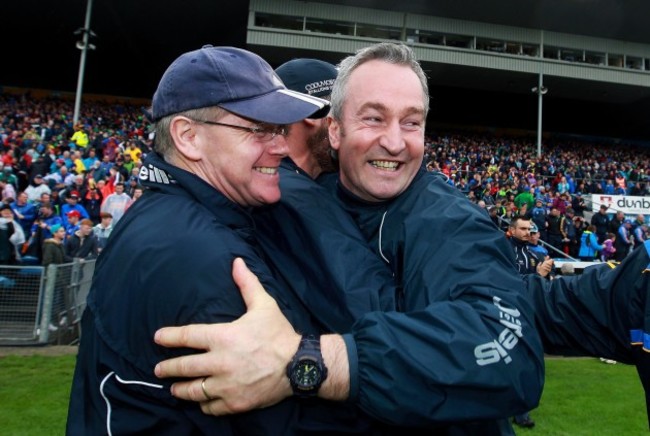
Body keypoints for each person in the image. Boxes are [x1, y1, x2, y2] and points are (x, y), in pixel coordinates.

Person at [154, 43, 650, 432]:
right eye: (373, 118)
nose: (394, 140)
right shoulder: (296, 198)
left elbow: (508, 353)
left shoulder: (444, 218)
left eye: (410, 122)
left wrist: (309, 362)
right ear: (335, 131)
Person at [66, 45, 330, 435]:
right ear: (188, 137)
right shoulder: (206, 260)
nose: (279, 147)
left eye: (280, 130)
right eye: (259, 129)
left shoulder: (167, 215)